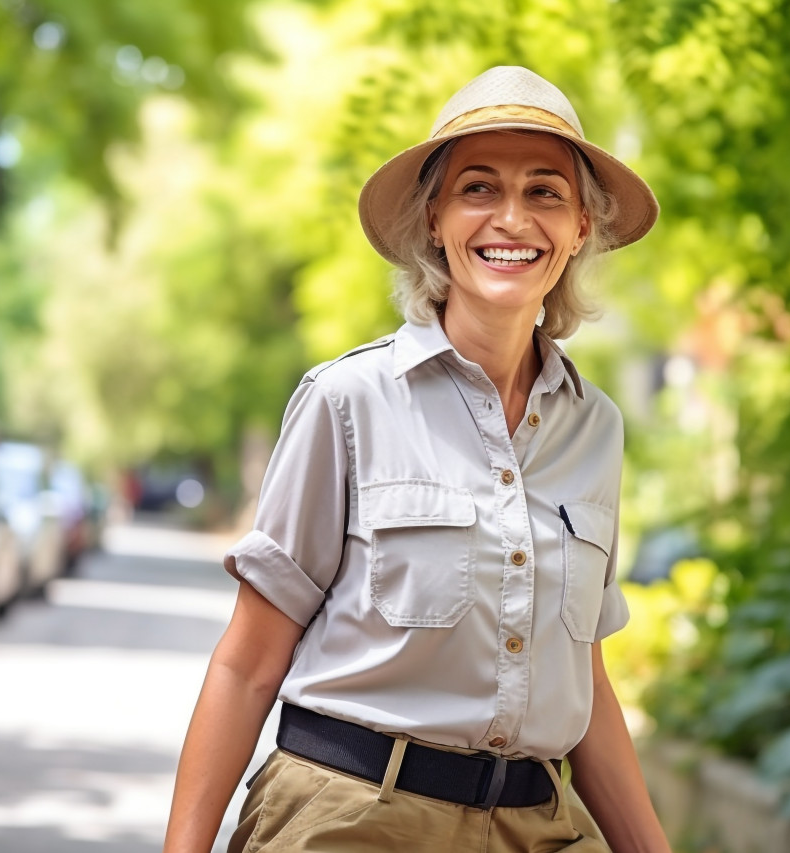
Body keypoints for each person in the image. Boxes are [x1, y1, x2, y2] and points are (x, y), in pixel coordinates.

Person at [164, 65, 671, 853]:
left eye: (545, 192)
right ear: (434, 218)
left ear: (579, 229)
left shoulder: (594, 427)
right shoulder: (348, 400)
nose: (512, 217)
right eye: (478, 188)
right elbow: (247, 663)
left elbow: (585, 683)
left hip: (537, 826)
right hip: (352, 817)